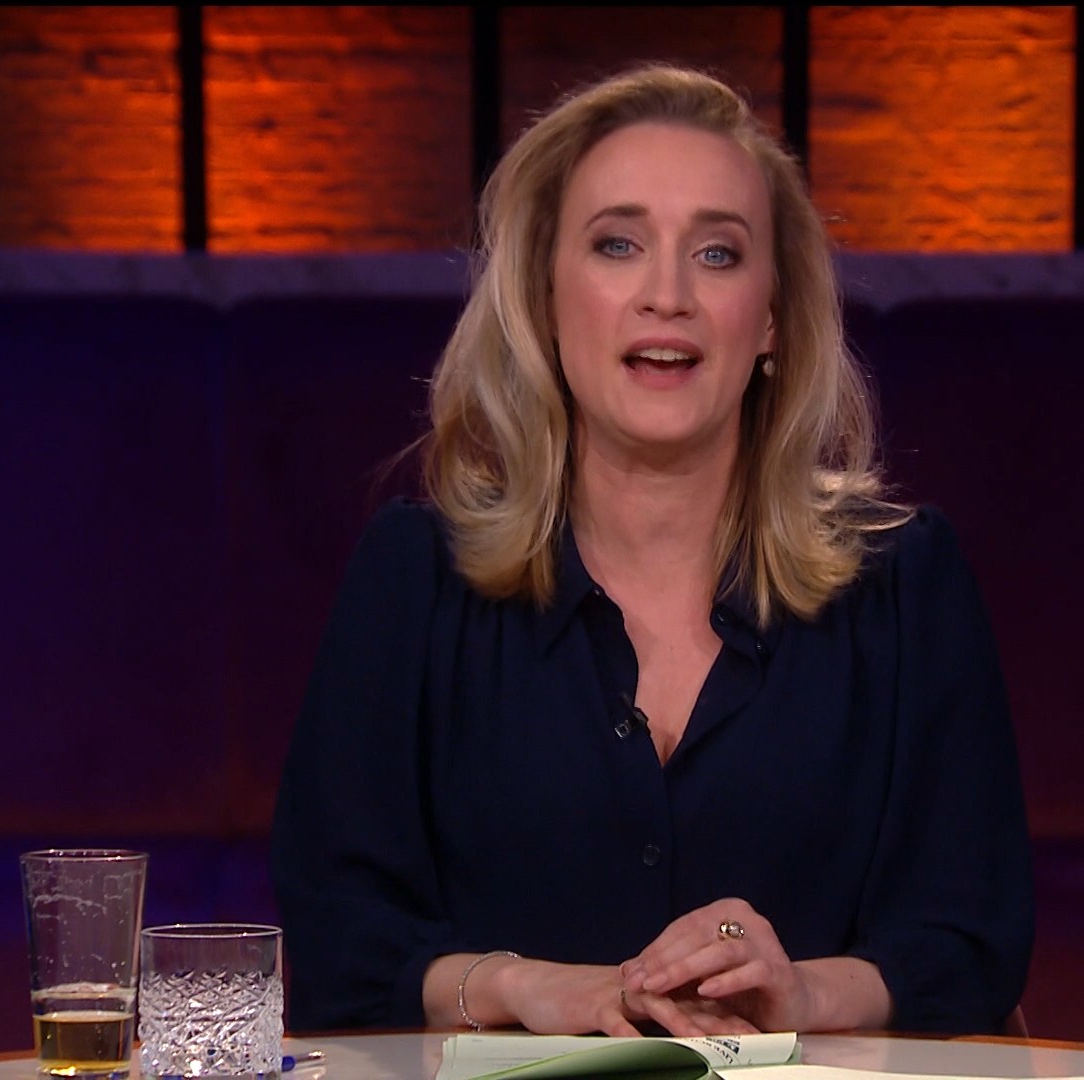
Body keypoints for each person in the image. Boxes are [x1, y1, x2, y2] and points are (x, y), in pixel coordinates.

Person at [270, 63, 1031, 1038]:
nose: (667, 295)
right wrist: (522, 988)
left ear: (770, 316)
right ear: (545, 298)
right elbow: (334, 937)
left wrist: (803, 993)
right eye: (618, 244)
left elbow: (970, 941)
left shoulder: (906, 584)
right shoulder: (415, 579)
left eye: (717, 254)